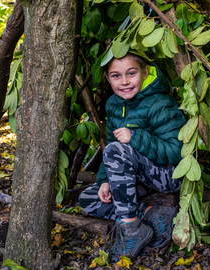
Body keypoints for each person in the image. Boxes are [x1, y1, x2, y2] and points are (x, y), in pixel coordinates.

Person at [78, 52, 186, 262]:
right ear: (108, 79)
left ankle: (131, 228)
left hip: (169, 176)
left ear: (145, 72)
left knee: (118, 150)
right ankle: (150, 214)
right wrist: (105, 181)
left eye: (131, 73)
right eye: (116, 76)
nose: (125, 82)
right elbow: (110, 144)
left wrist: (135, 137)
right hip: (139, 178)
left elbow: (176, 152)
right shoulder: (113, 104)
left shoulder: (160, 103)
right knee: (89, 199)